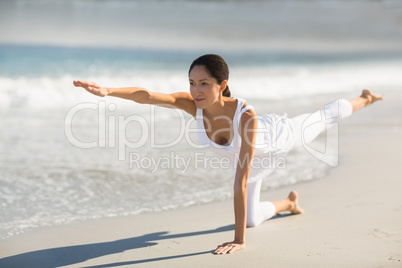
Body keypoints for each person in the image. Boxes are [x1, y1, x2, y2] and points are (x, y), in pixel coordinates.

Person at [73, 54, 383, 255]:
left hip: (276, 140)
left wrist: (239, 242)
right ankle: (288, 203)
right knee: (249, 220)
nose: (196, 90)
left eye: (204, 83)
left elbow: (240, 179)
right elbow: (149, 96)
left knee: (324, 116)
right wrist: (108, 91)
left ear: (222, 85)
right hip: (247, 161)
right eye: (192, 83)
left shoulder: (246, 116)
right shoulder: (192, 104)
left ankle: (365, 98)